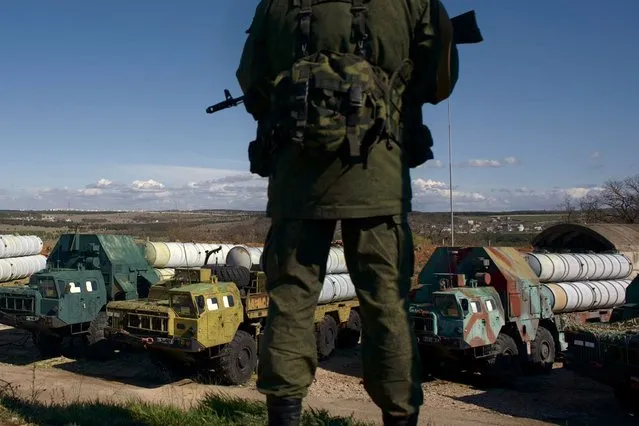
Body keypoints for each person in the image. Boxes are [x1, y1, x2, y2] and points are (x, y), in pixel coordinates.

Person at [234, 1, 479, 425]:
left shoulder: (275, 4)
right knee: (386, 304)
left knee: (290, 300)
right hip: (378, 177)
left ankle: (284, 416)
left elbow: (252, 84)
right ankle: (399, 415)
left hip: (298, 181)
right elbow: (440, 82)